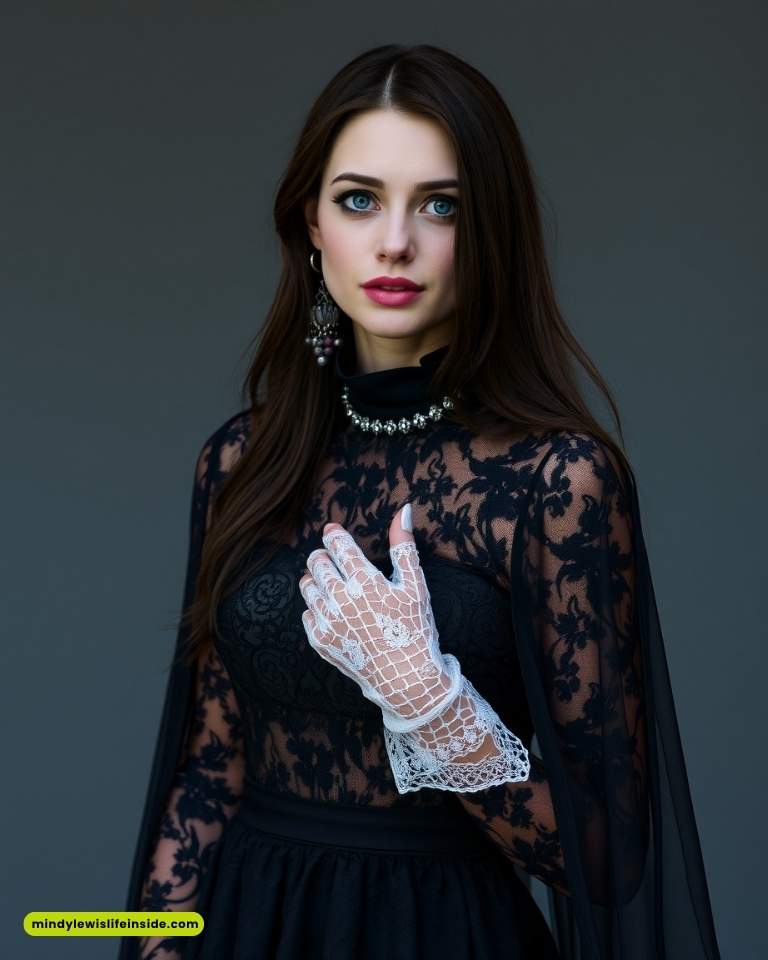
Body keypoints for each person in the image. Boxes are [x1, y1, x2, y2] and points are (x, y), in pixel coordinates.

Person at [118, 43, 722, 960]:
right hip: (249, 929)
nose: (394, 241)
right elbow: (207, 775)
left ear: (490, 235)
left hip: (444, 935)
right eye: (359, 199)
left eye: (440, 205)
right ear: (311, 228)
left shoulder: (559, 481)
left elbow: (608, 862)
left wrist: (432, 704)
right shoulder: (240, 462)